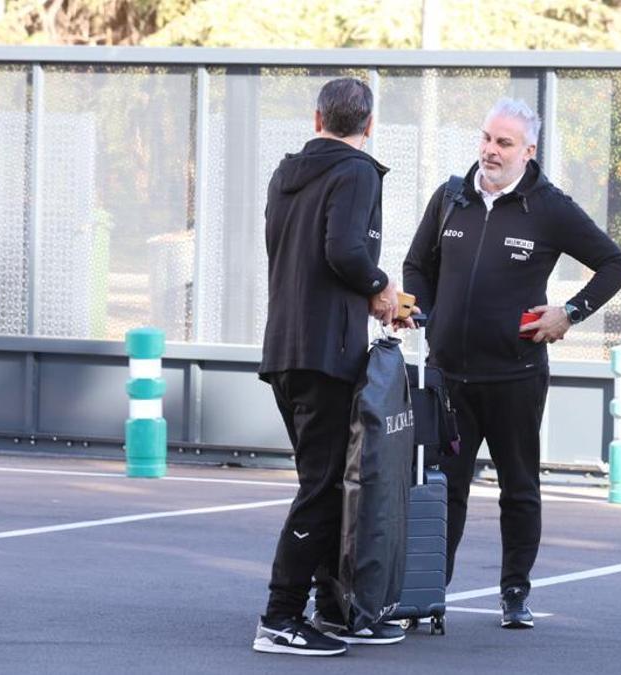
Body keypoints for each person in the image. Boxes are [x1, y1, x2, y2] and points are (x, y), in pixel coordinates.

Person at [402, 98, 621, 629]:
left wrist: (569, 313)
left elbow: (614, 264)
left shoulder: (550, 207)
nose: (490, 150)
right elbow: (418, 266)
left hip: (515, 377)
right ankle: (430, 594)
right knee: (443, 490)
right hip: (448, 380)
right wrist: (424, 315)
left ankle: (514, 594)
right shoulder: (450, 199)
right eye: (486, 138)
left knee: (519, 488)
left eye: (504, 143)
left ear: (528, 151)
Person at [252, 77, 407, 657]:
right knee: (322, 487)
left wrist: (366, 291)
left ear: (317, 118)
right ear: (368, 125)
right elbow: (343, 252)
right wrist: (381, 288)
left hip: (287, 349)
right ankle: (281, 617)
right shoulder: (358, 171)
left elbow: (303, 258)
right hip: (326, 355)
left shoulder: (285, 174)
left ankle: (335, 609)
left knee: (327, 484)